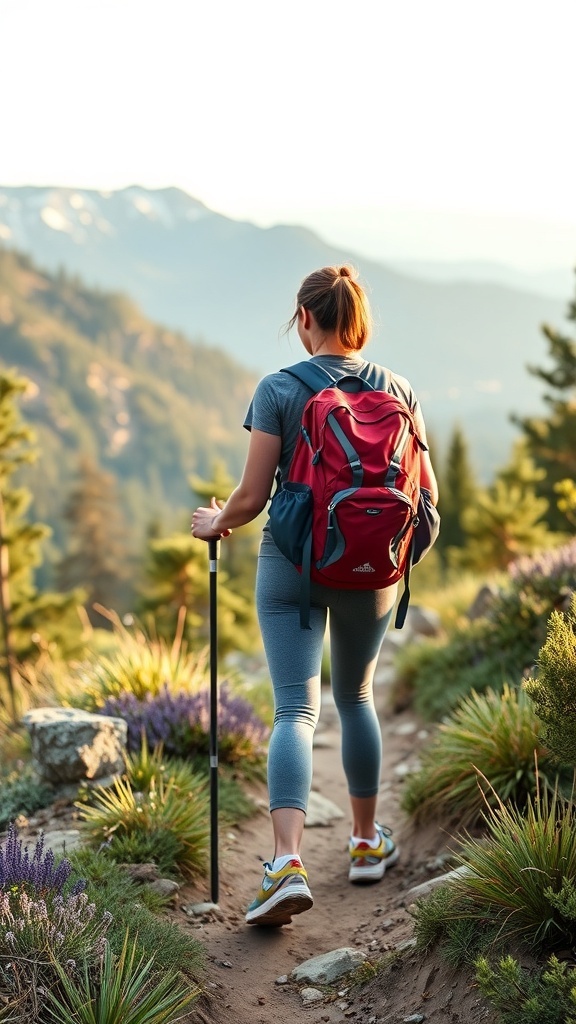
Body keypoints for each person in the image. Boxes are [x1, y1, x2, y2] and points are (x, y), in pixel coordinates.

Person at [192, 265, 438, 927]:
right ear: (357, 321)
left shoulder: (279, 389)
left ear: (305, 318)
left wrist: (214, 523)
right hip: (375, 572)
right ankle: (364, 843)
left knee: (295, 710)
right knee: (356, 696)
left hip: (293, 567)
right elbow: (430, 502)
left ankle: (286, 864)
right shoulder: (401, 390)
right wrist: (384, 558)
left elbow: (249, 498)